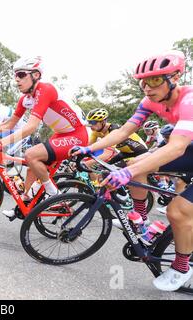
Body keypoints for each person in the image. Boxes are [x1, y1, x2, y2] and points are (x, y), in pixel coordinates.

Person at [71, 50, 193, 291]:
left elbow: (177, 146)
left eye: (155, 80)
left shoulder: (189, 100)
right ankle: (141, 221)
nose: (147, 87)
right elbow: (123, 131)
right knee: (134, 164)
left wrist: (127, 174)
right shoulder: (150, 101)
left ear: (175, 78)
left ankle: (181, 267)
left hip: (184, 149)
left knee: (178, 211)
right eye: (143, 82)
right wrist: (89, 148)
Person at [0, 56, 88, 218]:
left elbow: (31, 127)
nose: (16, 79)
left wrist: (1, 142)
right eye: (15, 76)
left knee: (31, 154)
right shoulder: (25, 99)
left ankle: (54, 194)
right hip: (60, 135)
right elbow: (10, 124)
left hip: (77, 135)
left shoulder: (45, 90)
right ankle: (26, 202)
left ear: (36, 75)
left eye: (21, 75)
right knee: (30, 165)